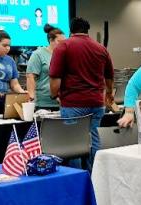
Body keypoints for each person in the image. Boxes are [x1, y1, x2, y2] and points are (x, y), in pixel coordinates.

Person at [49, 17, 115, 170]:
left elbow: (55, 77)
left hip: (73, 103)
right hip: (97, 103)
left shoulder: (64, 46)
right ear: (87, 30)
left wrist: (54, 95)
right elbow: (110, 76)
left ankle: (78, 178)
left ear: (71, 30)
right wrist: (109, 94)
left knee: (74, 141)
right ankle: (95, 175)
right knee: (93, 138)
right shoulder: (100, 48)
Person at [26, 27, 65, 111]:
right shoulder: (39, 54)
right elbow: (30, 76)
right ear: (51, 40)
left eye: (64, 42)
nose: (63, 44)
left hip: (63, 103)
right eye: (60, 42)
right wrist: (31, 96)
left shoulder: (65, 55)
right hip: (44, 103)